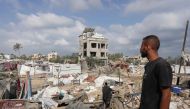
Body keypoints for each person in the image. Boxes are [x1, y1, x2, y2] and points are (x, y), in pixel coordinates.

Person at [139, 35, 173, 109]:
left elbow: (166, 95)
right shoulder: (148, 65)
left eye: (142, 46)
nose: (140, 49)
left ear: (148, 47)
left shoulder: (162, 65)